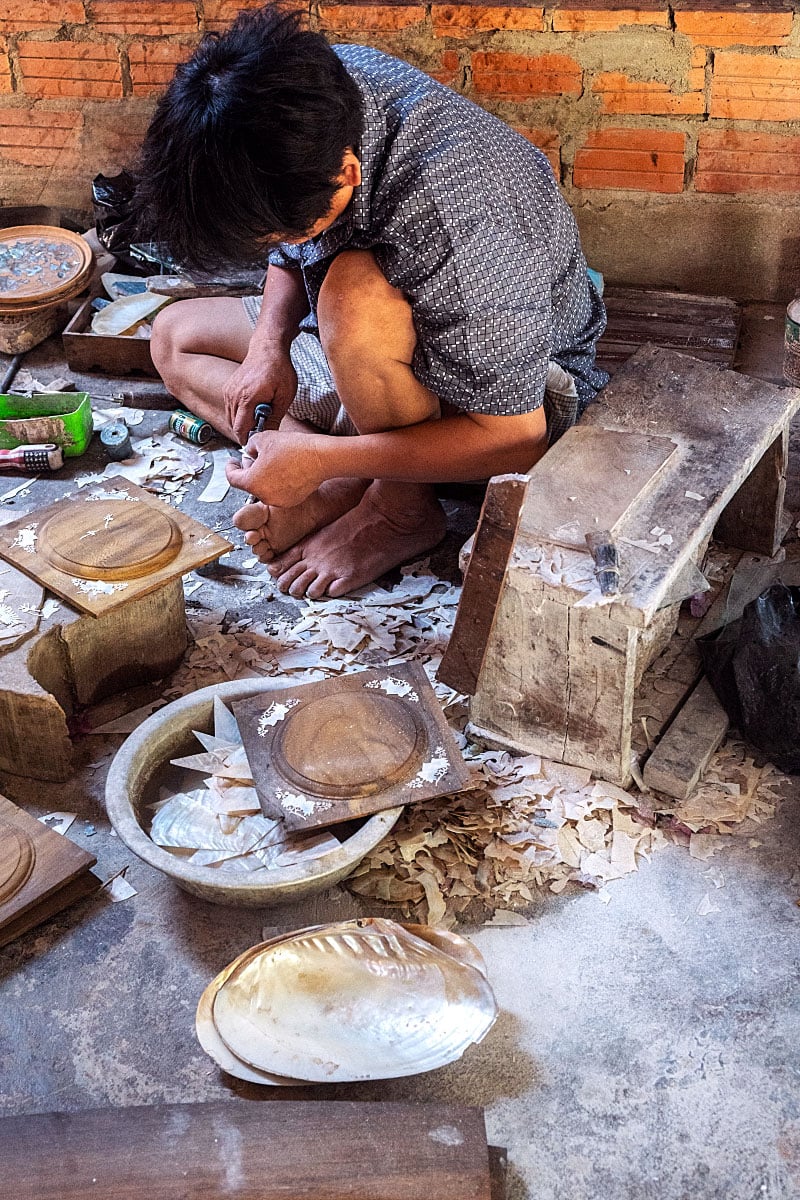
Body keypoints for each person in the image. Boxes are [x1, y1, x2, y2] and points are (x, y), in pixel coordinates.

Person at [138, 4, 607, 600]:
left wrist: (319, 458)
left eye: (287, 235)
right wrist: (267, 349)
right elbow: (292, 249)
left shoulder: (457, 217)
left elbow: (519, 437)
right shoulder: (307, 96)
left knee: (351, 292)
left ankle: (398, 508)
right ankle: (343, 474)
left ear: (349, 173)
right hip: (381, 359)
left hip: (511, 401)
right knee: (174, 337)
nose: (279, 250)